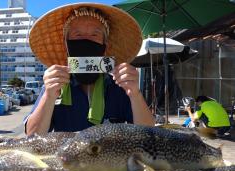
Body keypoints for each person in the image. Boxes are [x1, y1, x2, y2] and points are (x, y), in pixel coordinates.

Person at [24, 3, 155, 135]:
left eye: (94, 35)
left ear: (105, 46)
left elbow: (149, 133)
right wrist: (49, 95)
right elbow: (32, 135)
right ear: (66, 44)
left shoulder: (120, 85)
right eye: (78, 35)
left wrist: (135, 93)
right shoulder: (55, 85)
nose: (86, 40)